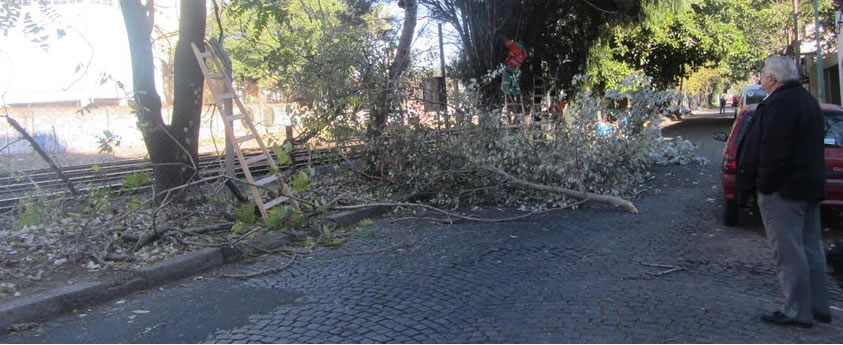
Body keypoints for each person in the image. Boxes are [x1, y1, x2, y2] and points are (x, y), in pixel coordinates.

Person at [736, 56, 830, 328]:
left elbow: (773, 152)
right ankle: (817, 306)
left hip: (784, 191)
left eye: (763, 74)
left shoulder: (780, 105)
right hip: (809, 186)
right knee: (811, 246)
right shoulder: (807, 101)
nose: (761, 79)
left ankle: (796, 311)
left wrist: (763, 186)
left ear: (773, 79)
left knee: (789, 252)